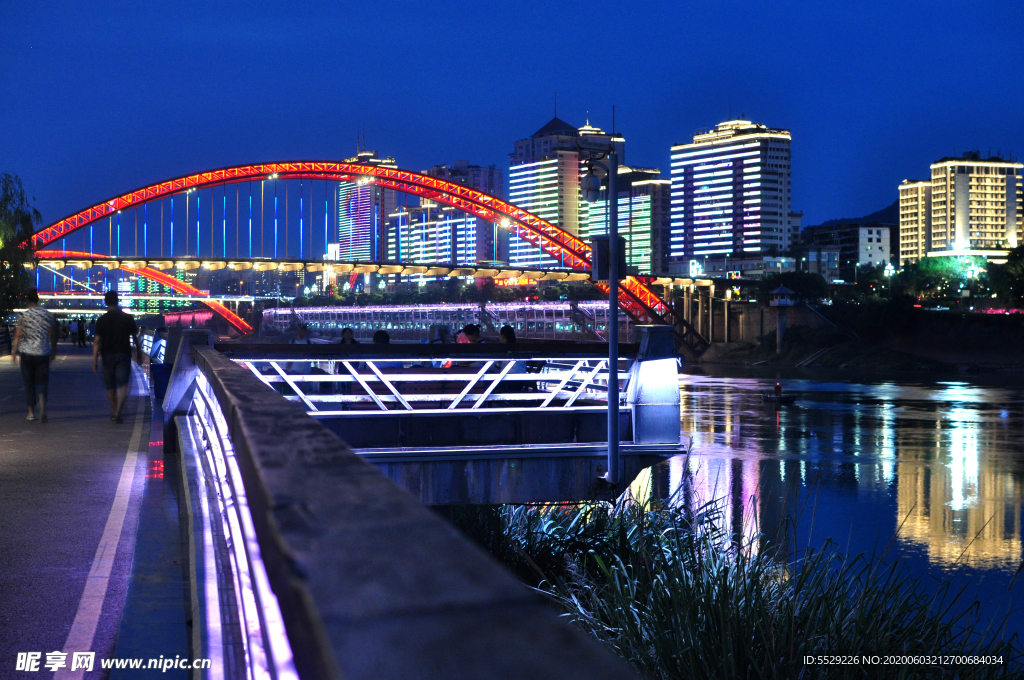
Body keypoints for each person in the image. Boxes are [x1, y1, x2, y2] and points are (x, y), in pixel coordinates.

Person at [11, 289, 58, 422]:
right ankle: (42, 399)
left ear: (27, 301)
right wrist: (53, 350)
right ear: (38, 300)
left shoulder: (23, 315)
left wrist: (14, 352)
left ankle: (31, 413)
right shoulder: (46, 314)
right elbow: (52, 334)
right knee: (42, 381)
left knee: (29, 383)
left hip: (26, 353)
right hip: (43, 352)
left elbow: (18, 334)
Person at [93, 291, 139, 423]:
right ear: (118, 301)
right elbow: (135, 338)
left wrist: (94, 361)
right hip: (124, 354)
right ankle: (119, 411)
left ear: (106, 302)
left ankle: (115, 411)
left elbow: (97, 341)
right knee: (123, 384)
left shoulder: (102, 320)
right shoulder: (128, 318)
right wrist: (139, 353)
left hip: (107, 355)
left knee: (110, 386)